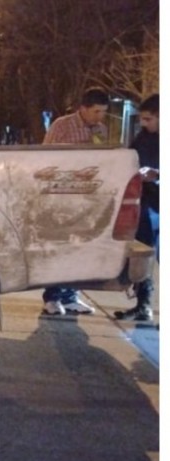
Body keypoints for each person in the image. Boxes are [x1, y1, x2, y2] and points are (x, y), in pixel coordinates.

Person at [39, 87, 110, 316]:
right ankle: (52, 297)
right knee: (60, 245)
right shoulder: (62, 126)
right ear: (83, 109)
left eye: (103, 112)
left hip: (87, 197)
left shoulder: (100, 129)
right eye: (96, 112)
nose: (100, 117)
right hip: (62, 195)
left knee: (80, 247)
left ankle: (70, 295)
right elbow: (46, 159)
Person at [115, 94, 159, 321]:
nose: (143, 123)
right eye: (142, 119)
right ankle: (143, 305)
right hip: (145, 207)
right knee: (144, 258)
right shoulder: (142, 139)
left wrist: (158, 176)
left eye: (149, 119)